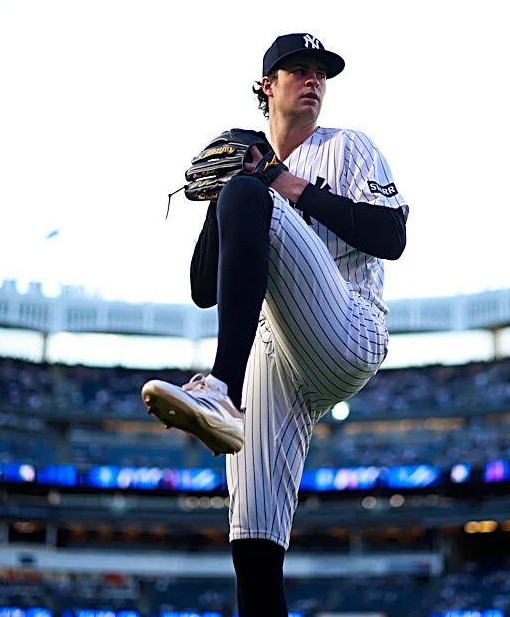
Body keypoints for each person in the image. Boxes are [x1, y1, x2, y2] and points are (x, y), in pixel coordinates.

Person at [141, 33, 408, 616]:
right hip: (273, 350)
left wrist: (277, 184)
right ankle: (227, 402)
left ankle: (218, 391)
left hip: (347, 327)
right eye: (298, 70)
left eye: (321, 73)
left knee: (250, 192)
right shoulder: (249, 171)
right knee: (254, 545)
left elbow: (392, 238)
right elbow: (202, 291)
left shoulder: (349, 147)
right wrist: (224, 200)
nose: (313, 79)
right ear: (266, 87)